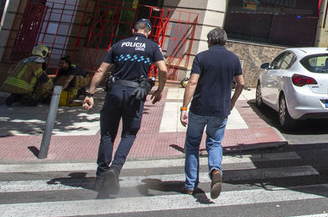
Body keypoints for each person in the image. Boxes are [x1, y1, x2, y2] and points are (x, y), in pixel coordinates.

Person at [83, 19, 167, 197]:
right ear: (149, 32)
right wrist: (159, 90)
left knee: (107, 134)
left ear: (132, 30)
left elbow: (100, 71)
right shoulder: (152, 46)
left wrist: (89, 94)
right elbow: (163, 69)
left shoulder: (118, 45)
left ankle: (100, 176)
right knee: (129, 133)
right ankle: (116, 167)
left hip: (115, 91)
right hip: (135, 95)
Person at [180, 26, 244, 199]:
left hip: (199, 108)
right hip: (220, 109)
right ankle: (215, 170)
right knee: (215, 143)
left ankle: (190, 185)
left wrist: (184, 107)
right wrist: (232, 101)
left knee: (192, 145)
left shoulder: (201, 57)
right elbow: (241, 83)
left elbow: (192, 83)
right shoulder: (233, 58)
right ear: (224, 40)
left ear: (209, 40)